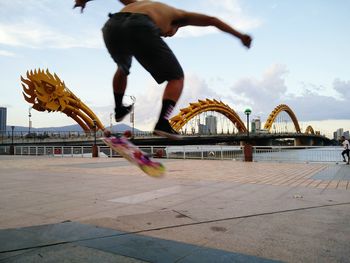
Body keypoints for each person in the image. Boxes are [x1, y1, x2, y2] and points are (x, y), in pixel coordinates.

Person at [74, 0, 252, 139]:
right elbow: (212, 20)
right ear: (176, 24)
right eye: (168, 34)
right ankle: (162, 122)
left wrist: (84, 0)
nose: (165, 35)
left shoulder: (138, 3)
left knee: (123, 66)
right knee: (176, 77)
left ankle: (119, 108)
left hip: (112, 27)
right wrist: (240, 36)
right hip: (140, 26)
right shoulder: (179, 14)